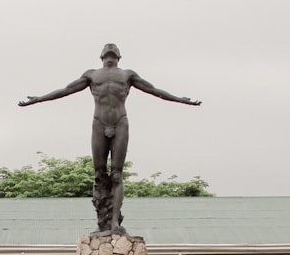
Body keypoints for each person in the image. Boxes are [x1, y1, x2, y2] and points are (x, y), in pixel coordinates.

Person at [19, 43, 200, 234]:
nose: (110, 53)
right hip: (99, 122)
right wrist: (38, 99)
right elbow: (65, 90)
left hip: (120, 122)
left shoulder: (128, 75)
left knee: (116, 174)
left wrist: (180, 99)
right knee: (99, 174)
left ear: (119, 57)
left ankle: (114, 223)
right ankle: (102, 222)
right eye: (107, 51)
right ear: (101, 57)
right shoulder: (91, 75)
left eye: (113, 52)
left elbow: (154, 90)